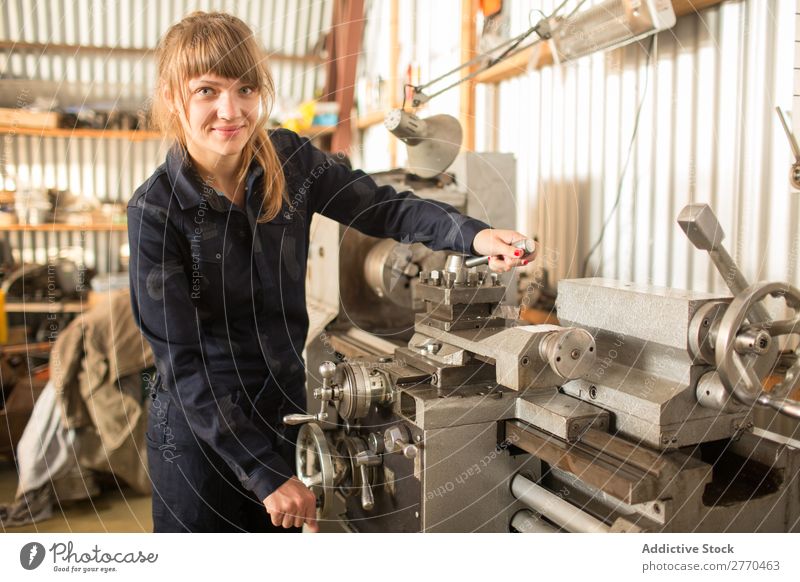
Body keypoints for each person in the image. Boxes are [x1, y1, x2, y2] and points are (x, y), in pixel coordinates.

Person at [127, 11, 535, 533]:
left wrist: (474, 235)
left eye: (245, 88)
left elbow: (384, 208)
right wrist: (261, 471)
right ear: (171, 96)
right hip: (202, 439)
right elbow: (184, 367)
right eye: (207, 90)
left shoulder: (290, 162)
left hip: (281, 410)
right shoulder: (156, 214)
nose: (230, 111)